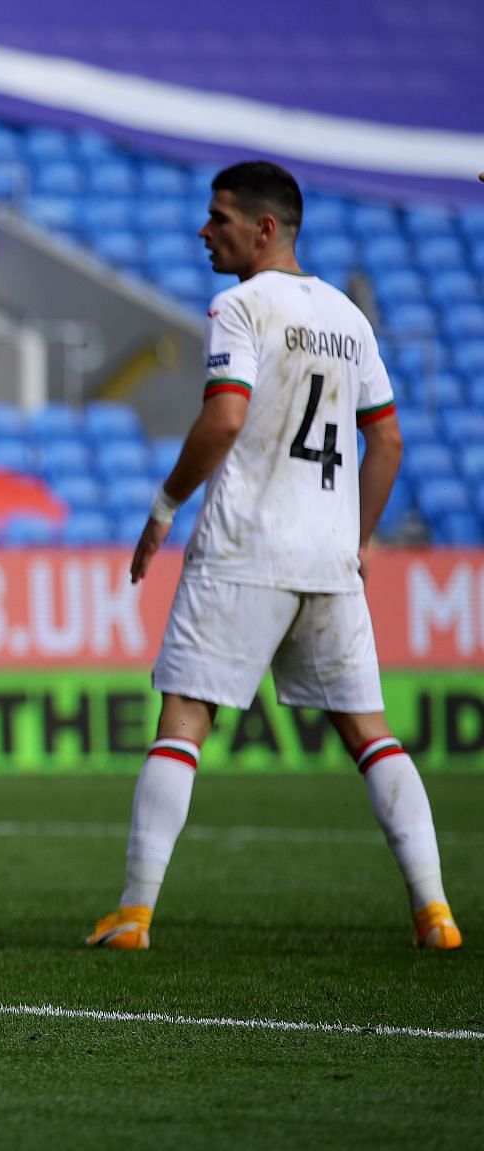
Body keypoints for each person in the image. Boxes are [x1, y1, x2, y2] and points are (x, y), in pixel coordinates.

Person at [87, 160, 461, 952]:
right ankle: (435, 910)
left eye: (219, 217)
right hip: (327, 557)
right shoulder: (347, 318)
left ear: (264, 229)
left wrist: (163, 506)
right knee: (372, 734)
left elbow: (226, 420)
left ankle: (134, 912)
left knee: (183, 722)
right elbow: (386, 438)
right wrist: (357, 538)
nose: (204, 230)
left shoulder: (240, 305)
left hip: (245, 546)